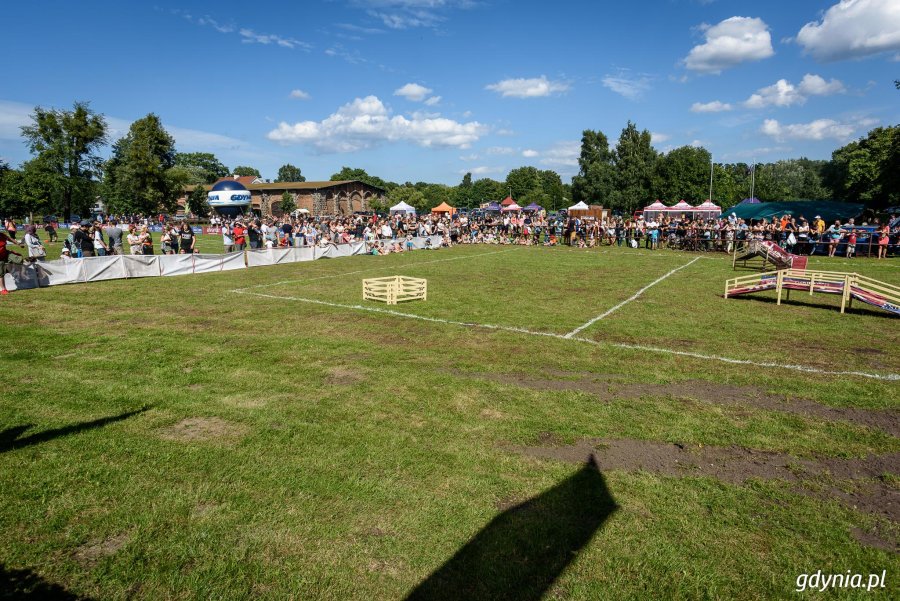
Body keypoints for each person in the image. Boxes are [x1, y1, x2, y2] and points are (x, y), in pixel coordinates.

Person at [0, 229, 25, 295]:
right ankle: (3, 289)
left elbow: (10, 239)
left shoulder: (2, 235)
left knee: (19, 259)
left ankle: (7, 270)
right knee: (1, 273)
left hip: (6, 254)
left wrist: (18, 243)